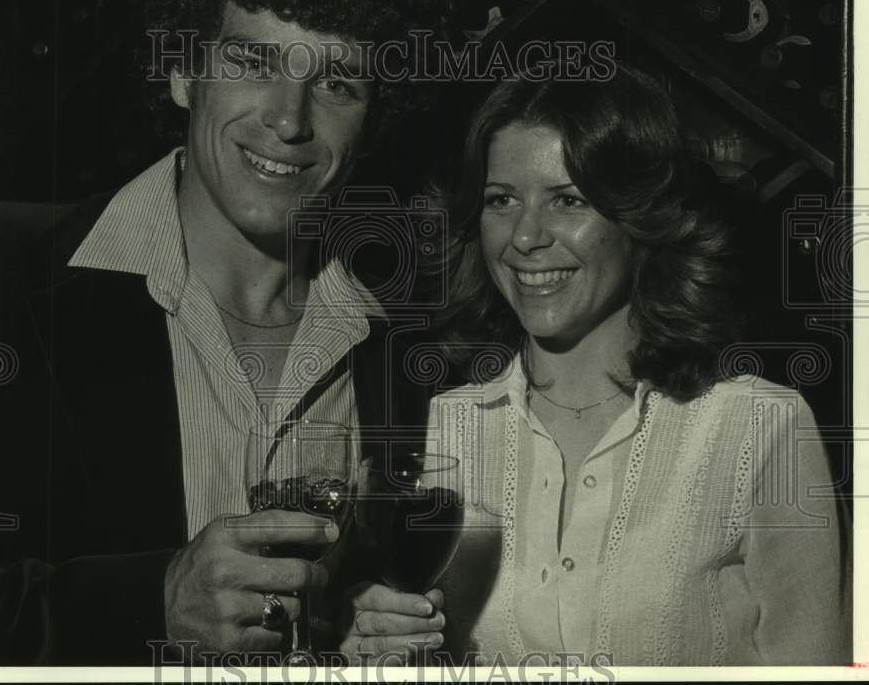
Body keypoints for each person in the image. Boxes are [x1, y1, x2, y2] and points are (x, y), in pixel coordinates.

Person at [0, 0, 444, 666]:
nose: (290, 119)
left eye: (339, 83)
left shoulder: (403, 338)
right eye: (253, 60)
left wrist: (348, 625)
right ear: (185, 71)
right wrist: (151, 600)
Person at [343, 63, 851, 665]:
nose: (526, 237)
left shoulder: (760, 425)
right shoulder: (449, 424)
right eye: (502, 199)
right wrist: (383, 650)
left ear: (640, 218)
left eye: (568, 199)